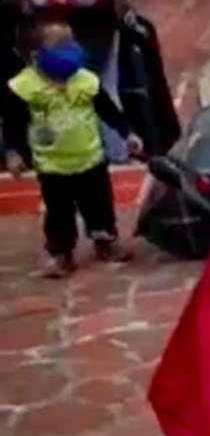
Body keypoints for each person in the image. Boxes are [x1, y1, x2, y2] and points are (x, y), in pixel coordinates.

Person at [4, 20, 140, 279]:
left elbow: (107, 109)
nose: (71, 50)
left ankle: (105, 240)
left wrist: (128, 133)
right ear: (36, 56)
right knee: (58, 211)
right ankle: (61, 251)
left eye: (72, 43)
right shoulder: (25, 88)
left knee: (99, 204)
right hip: (52, 165)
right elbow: (12, 124)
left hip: (90, 157)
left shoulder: (86, 80)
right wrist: (13, 152)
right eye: (61, 47)